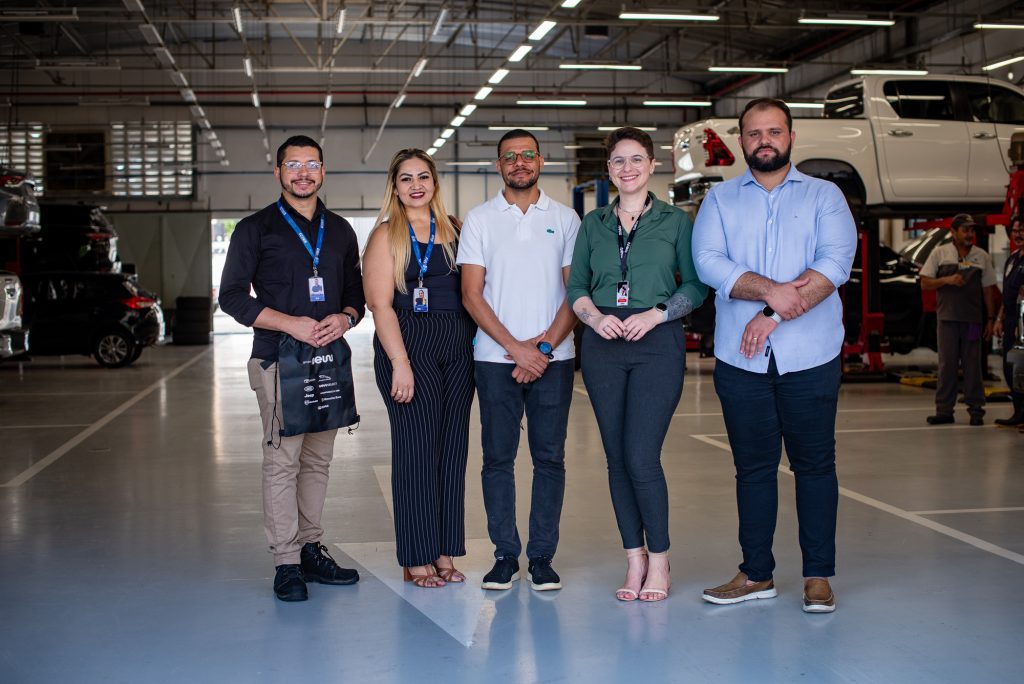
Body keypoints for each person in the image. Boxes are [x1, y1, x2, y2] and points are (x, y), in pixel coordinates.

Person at [692, 98, 857, 613]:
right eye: (754, 132)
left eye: (774, 131)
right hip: (742, 364)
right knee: (753, 469)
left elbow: (835, 263)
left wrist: (776, 313)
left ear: (790, 136)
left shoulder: (825, 197)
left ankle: (817, 577)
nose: (765, 140)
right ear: (741, 140)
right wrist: (772, 292)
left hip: (811, 356)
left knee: (814, 465)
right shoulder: (719, 201)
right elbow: (708, 263)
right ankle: (756, 573)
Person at [219, 135, 365, 602]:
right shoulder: (254, 229)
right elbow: (232, 297)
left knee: (318, 461)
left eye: (312, 164)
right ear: (279, 172)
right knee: (283, 461)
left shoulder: (340, 230)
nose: (303, 172)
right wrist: (292, 325)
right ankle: (285, 561)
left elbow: (356, 294)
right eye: (293, 164)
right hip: (278, 361)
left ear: (323, 171)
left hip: (327, 361)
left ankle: (309, 548)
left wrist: (345, 318)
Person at [567, 127, 707, 602]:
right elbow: (576, 288)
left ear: (652, 166)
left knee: (641, 456)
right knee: (615, 459)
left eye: (635, 160)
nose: (627, 169)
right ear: (608, 170)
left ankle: (661, 561)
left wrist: (656, 314)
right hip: (604, 346)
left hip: (656, 342)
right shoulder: (593, 224)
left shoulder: (676, 222)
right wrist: (593, 317)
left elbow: (695, 285)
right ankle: (634, 559)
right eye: (618, 162)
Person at [457, 129, 581, 592]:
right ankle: (505, 555)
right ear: (499, 165)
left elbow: (577, 292)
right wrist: (518, 348)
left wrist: (544, 348)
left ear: (541, 161)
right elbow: (472, 295)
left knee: (550, 459)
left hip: (555, 359)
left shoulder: (566, 219)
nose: (519, 162)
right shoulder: (480, 219)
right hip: (494, 361)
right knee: (497, 460)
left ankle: (543, 557)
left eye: (527, 155)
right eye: (510, 156)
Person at [362, 148, 476, 587]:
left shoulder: (458, 232)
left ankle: (445, 549)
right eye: (406, 178)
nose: (416, 185)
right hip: (408, 341)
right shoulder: (386, 235)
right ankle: (416, 557)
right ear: (395, 187)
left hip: (456, 342)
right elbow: (380, 304)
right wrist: (400, 364)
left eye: (423, 177)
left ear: (434, 183)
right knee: (416, 453)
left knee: (452, 451)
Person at [920, 213, 1000, 426]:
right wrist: (947, 279)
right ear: (953, 233)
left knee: (973, 365)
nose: (970, 234)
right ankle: (944, 411)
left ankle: (976, 410)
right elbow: (925, 283)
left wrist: (990, 318)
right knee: (947, 365)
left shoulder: (981, 256)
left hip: (973, 321)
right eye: (965, 230)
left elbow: (988, 290)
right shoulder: (940, 253)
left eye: (972, 230)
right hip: (947, 320)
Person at [994, 216, 1024, 428]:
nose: (1018, 234)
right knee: (1009, 367)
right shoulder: (1012, 259)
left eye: (1022, 230)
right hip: (1011, 320)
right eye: (1015, 230)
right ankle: (1019, 412)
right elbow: (1007, 293)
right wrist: (999, 319)